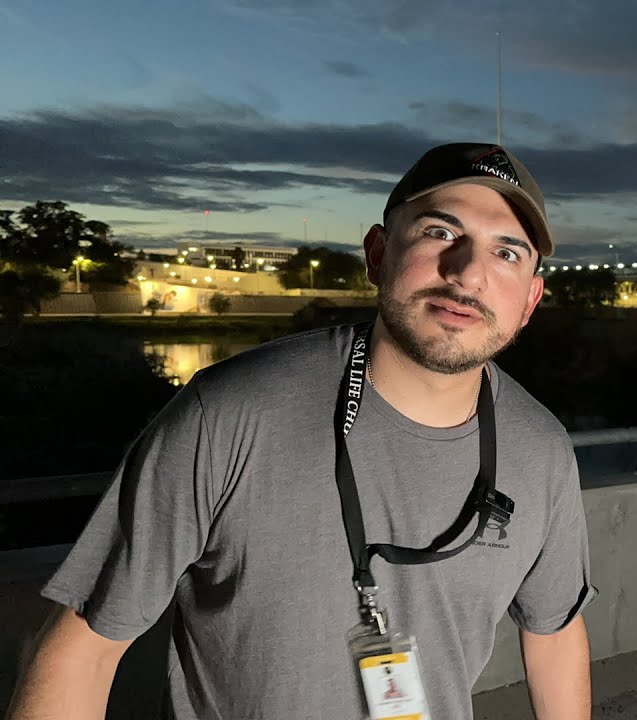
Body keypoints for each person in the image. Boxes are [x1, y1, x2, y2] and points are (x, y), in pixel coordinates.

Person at [8, 143, 596, 720]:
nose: (468, 274)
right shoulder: (228, 414)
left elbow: (555, 633)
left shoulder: (540, 450)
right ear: (378, 253)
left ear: (530, 301)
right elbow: (84, 649)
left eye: (507, 254)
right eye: (440, 233)